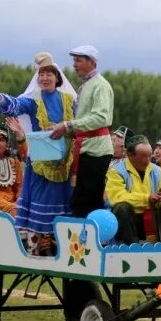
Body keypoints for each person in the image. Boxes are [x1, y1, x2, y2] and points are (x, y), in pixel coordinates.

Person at [0, 52, 78, 255]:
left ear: (57, 77)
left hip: (63, 161)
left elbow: (81, 122)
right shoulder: (33, 102)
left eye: (49, 74)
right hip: (41, 161)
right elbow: (13, 105)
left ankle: (56, 242)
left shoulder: (70, 100)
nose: (45, 78)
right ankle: (36, 244)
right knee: (40, 201)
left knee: (61, 201)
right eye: (41, 74)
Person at [49, 44, 114, 217]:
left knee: (87, 200)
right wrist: (64, 129)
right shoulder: (86, 85)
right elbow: (85, 120)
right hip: (87, 147)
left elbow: (101, 118)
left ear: (92, 62)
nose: (74, 65)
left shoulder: (100, 85)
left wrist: (68, 125)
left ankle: (87, 239)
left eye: (78, 60)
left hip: (96, 150)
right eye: (74, 60)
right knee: (84, 198)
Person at [105, 136, 161, 244]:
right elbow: (117, 197)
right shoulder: (116, 171)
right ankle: (132, 246)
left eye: (149, 156)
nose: (148, 161)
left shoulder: (156, 170)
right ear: (129, 155)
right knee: (121, 208)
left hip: (152, 219)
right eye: (143, 157)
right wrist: (147, 198)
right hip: (129, 221)